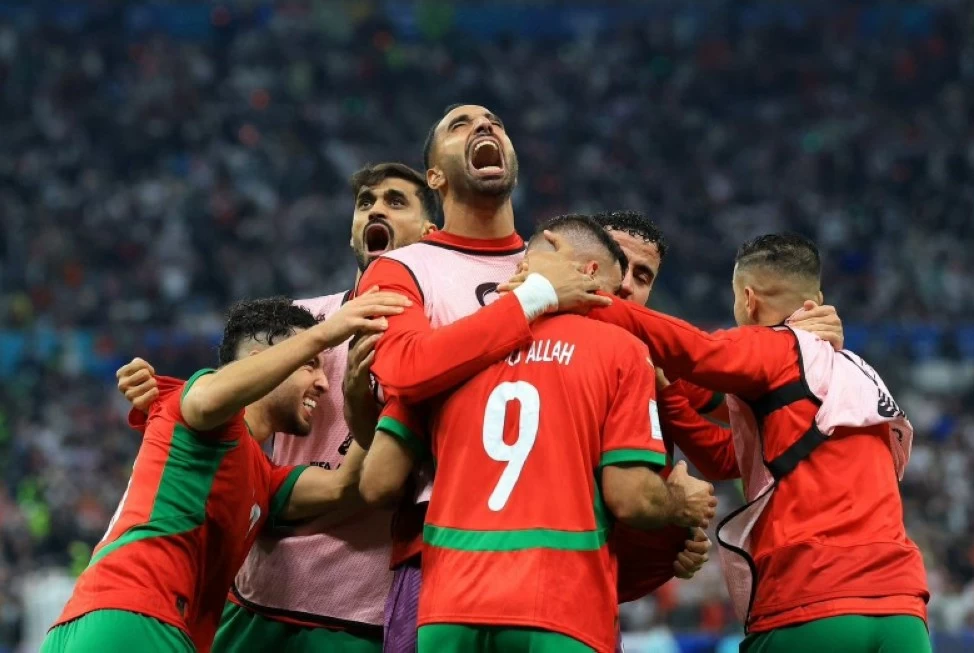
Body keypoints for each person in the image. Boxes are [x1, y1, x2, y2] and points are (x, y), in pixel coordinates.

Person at [521, 233, 930, 652]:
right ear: (817, 300)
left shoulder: (776, 347)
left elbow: (694, 351)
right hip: (902, 609)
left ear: (748, 300)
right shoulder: (859, 372)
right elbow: (726, 456)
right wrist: (668, 392)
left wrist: (571, 292)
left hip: (812, 598)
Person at [114, 163, 438, 652]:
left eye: (395, 201)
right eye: (365, 202)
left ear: (431, 233)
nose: (375, 209)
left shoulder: (445, 336)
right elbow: (226, 406)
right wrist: (158, 391)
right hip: (260, 592)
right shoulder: (307, 321)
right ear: (352, 228)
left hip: (359, 608)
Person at [360, 215, 719, 652]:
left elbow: (376, 481)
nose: (623, 292)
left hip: (449, 603)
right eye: (616, 277)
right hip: (562, 605)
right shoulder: (625, 353)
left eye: (641, 278)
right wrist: (677, 504)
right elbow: (631, 499)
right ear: (590, 273)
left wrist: (669, 547)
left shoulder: (454, 345)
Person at [354, 104, 610, 653]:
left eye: (494, 122)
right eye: (460, 125)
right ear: (435, 177)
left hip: (564, 542)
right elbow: (404, 367)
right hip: (440, 544)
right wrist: (534, 300)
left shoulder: (561, 262)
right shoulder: (401, 268)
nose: (485, 127)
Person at [43, 293, 408, 653]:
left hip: (89, 621)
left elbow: (346, 485)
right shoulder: (199, 407)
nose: (324, 383)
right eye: (310, 364)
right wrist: (326, 333)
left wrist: (368, 398)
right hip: (139, 617)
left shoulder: (263, 478)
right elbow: (205, 399)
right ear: (260, 361)